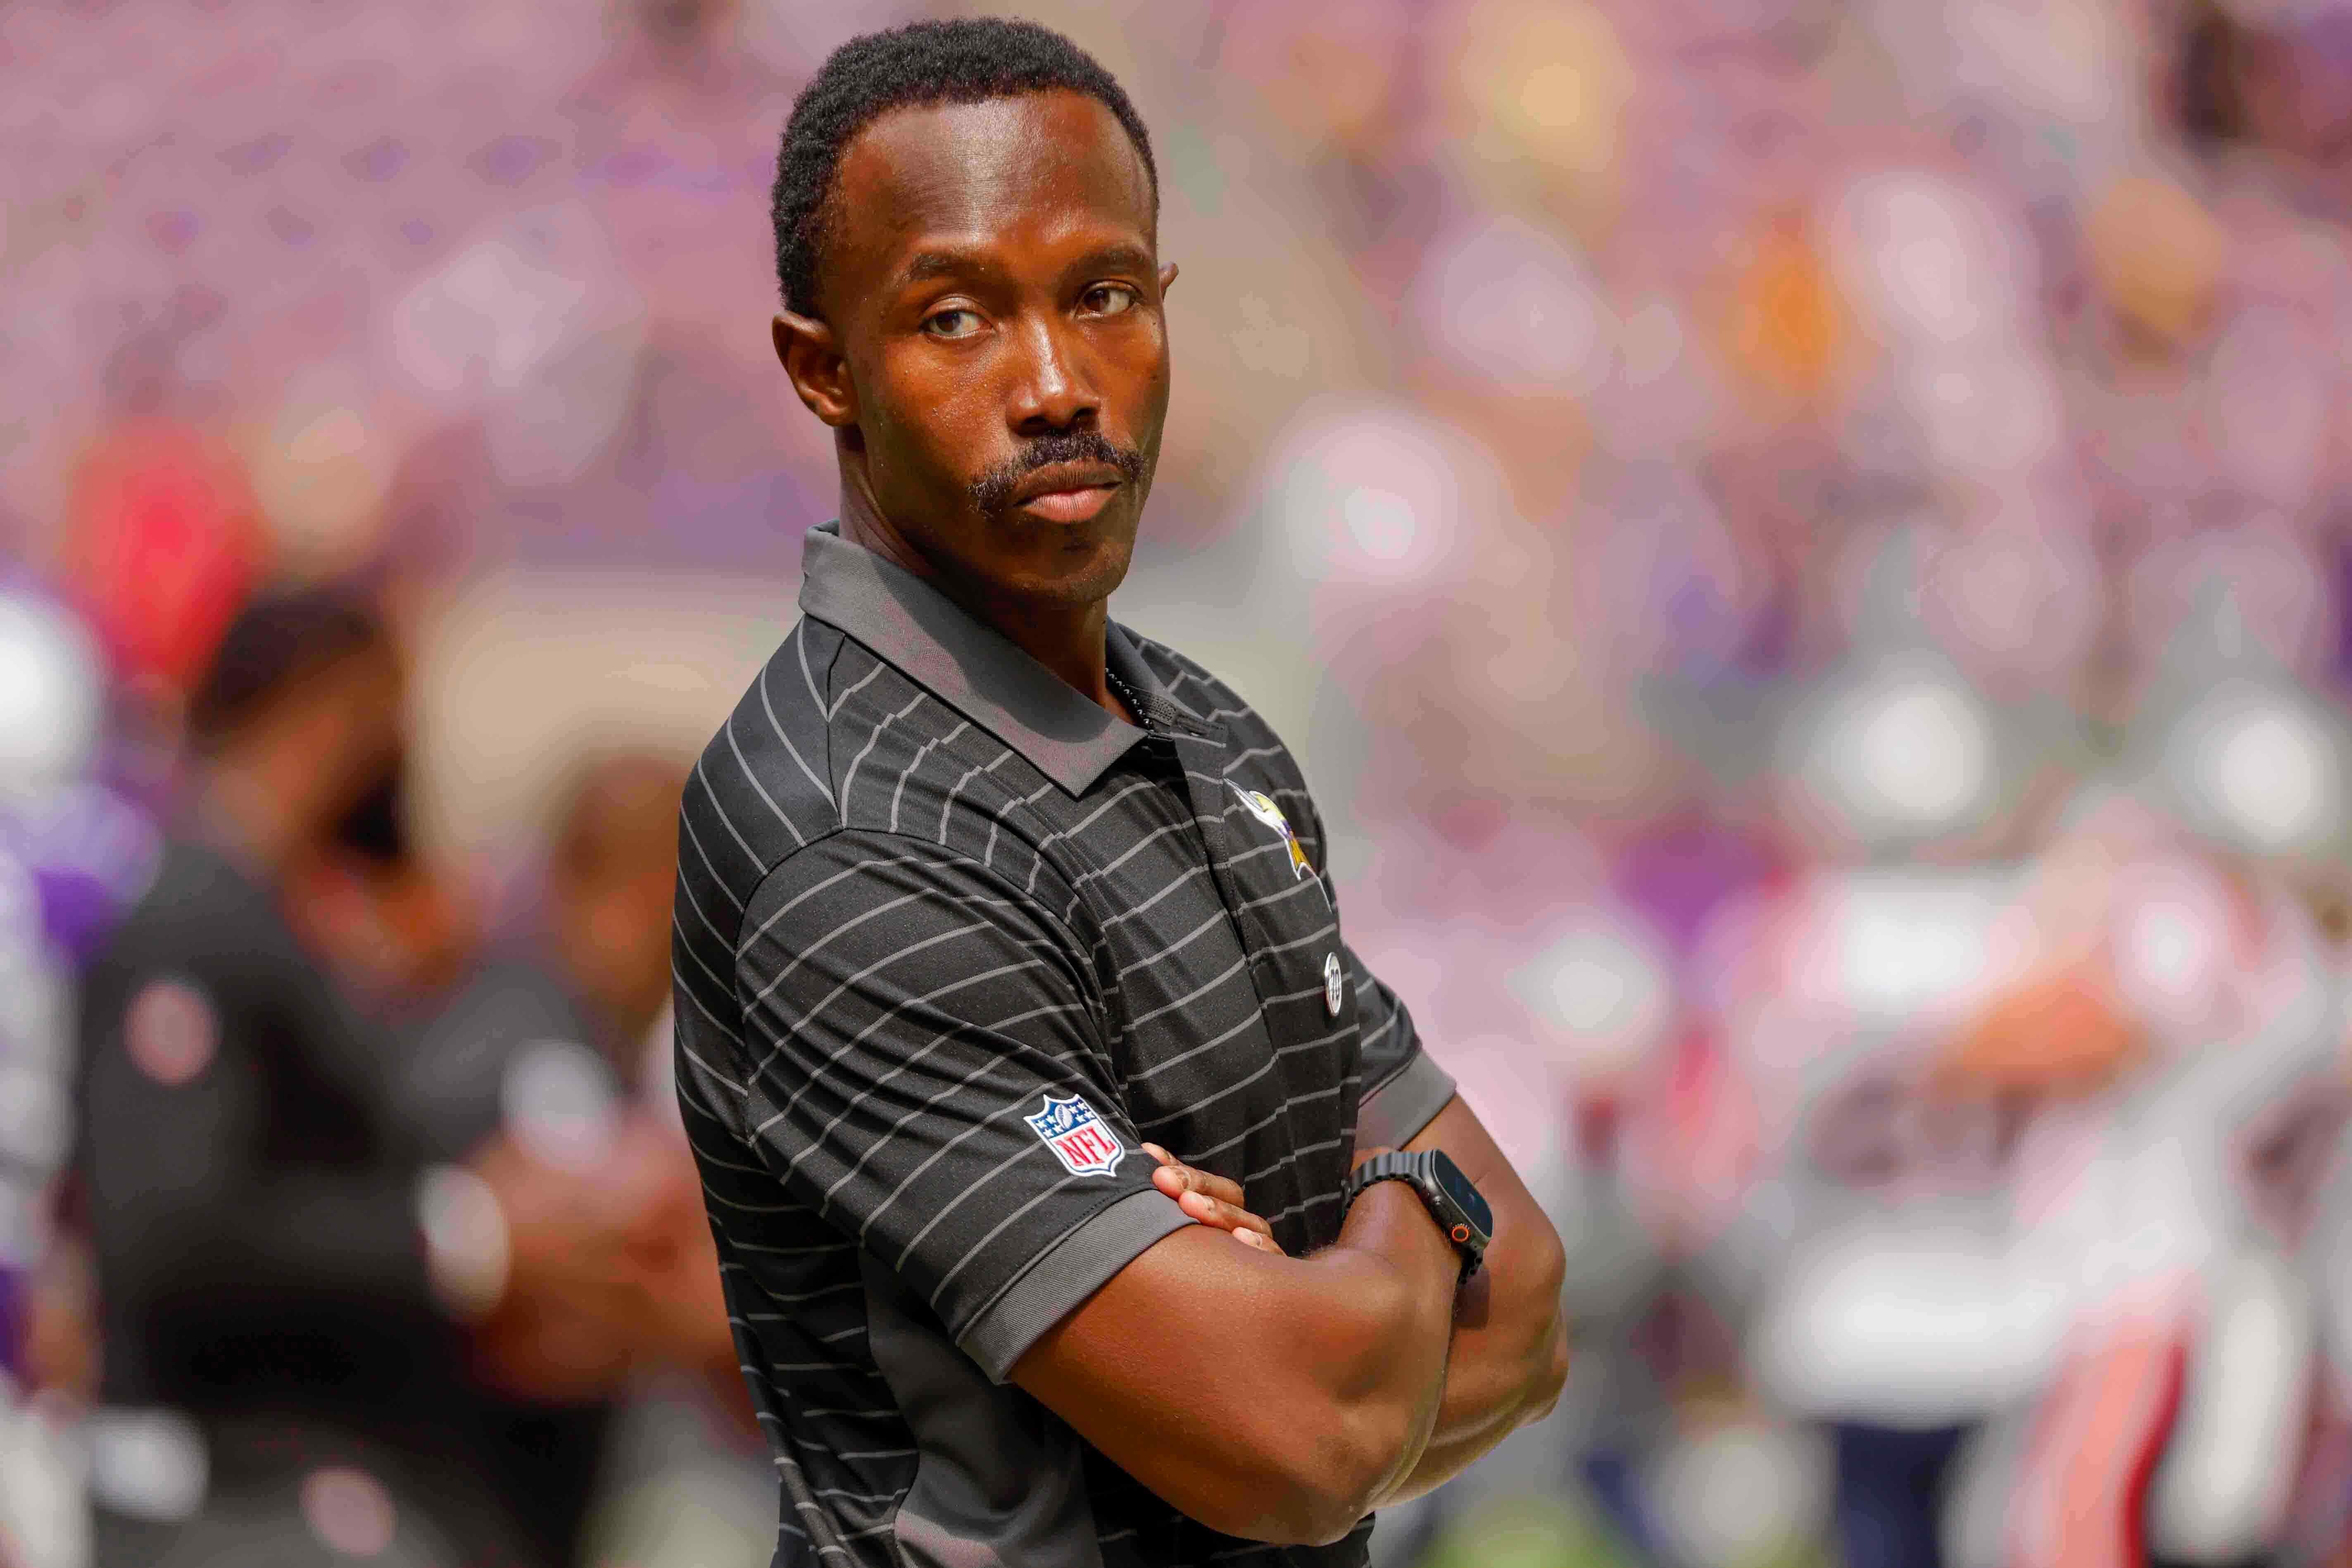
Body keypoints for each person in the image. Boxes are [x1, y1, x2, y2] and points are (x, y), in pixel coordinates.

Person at [671, 19, 1570, 1568]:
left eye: (1100, 297)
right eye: (954, 316)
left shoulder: (1211, 740)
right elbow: (1309, 1438)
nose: (1051, 382)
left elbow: (1532, 1315)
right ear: (824, 370)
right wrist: (1416, 1196)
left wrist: (1336, 1294)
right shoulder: (851, 835)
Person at [73, 590, 648, 1568]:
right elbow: (169, 1233)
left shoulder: (270, 914)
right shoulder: (198, 917)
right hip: (217, 1484)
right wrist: (468, 1234)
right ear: (339, 705)